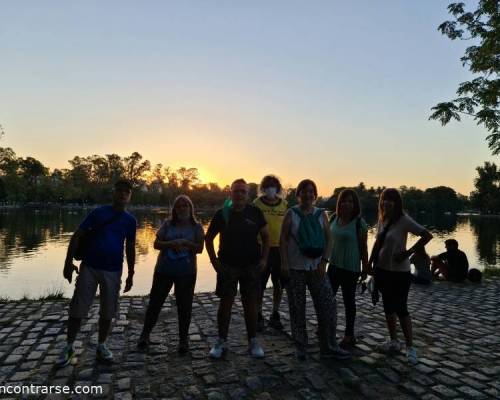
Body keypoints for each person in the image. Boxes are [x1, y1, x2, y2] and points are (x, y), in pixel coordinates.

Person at [56, 179, 137, 367]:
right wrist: (68, 263)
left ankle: (102, 345)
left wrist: (131, 273)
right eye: (120, 190)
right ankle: (69, 347)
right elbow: (77, 236)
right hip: (89, 268)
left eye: (127, 192)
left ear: (130, 196)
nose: (123, 194)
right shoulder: (98, 213)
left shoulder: (130, 221)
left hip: (113, 270)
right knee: (78, 307)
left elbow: (131, 248)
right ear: (114, 193)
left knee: (108, 310)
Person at [280, 179, 350, 361]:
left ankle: (328, 344)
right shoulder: (291, 214)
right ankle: (301, 346)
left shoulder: (321, 215)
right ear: (298, 194)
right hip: (296, 268)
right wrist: (284, 263)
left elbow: (329, 240)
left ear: (315, 195)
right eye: (304, 191)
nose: (308, 194)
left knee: (328, 305)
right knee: (297, 308)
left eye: (311, 191)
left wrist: (324, 262)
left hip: (317, 268)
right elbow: (283, 240)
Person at [205, 179, 270, 359]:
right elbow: (208, 238)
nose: (240, 194)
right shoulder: (222, 213)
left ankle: (253, 341)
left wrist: (264, 259)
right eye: (236, 191)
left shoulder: (256, 212)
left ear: (248, 195)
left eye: (243, 191)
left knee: (251, 303)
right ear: (230, 193)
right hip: (227, 266)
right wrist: (214, 261)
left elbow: (266, 237)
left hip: (251, 266)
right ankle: (221, 342)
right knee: (226, 303)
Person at [368, 188, 432, 365]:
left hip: (400, 273)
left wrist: (407, 253)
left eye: (390, 200)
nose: (386, 202)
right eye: (383, 199)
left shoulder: (404, 220)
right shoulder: (382, 219)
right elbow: (377, 243)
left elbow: (427, 235)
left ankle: (410, 347)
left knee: (401, 308)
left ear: (396, 202)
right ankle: (393, 341)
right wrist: (369, 264)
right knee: (388, 307)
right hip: (382, 270)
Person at [137, 195, 204, 354]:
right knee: (155, 303)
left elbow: (200, 248)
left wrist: (187, 244)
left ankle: (183, 340)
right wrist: (171, 244)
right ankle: (144, 335)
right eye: (179, 206)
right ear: (174, 209)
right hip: (163, 271)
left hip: (187, 273)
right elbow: (156, 244)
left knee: (184, 306)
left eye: (185, 206)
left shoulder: (197, 227)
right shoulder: (167, 225)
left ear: (190, 208)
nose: (182, 209)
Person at [328, 189, 369, 349]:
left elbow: (364, 248)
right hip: (333, 266)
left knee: (348, 302)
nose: (346, 204)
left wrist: (365, 268)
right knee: (327, 299)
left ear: (355, 204)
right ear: (339, 203)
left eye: (350, 201)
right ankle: (325, 327)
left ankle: (349, 335)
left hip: (350, 268)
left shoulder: (359, 223)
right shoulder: (333, 218)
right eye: (344, 200)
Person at [253, 175, 287, 331]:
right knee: (260, 284)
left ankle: (275, 313)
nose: (271, 188)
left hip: (280, 250)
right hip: (260, 249)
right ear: (263, 188)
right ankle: (258, 314)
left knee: (278, 284)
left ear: (278, 188)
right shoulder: (256, 204)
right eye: (267, 185)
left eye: (274, 185)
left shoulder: (284, 205)